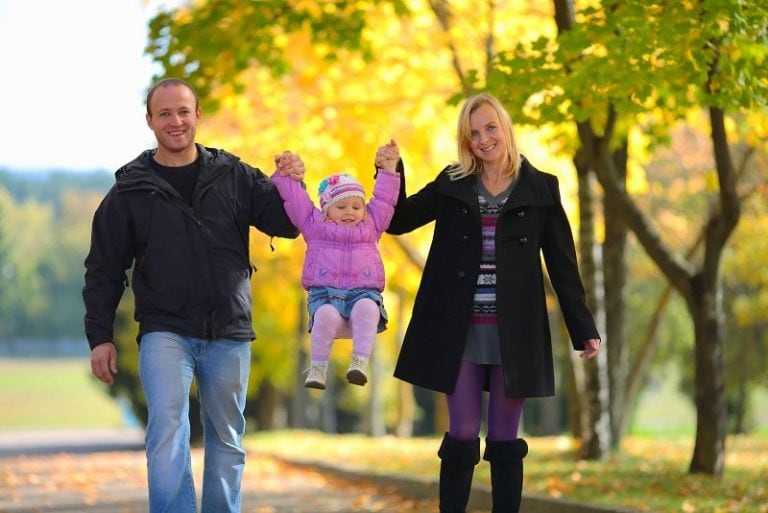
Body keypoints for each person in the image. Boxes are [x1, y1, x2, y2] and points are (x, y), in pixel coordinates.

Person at [82, 77, 304, 513]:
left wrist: (291, 182)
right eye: (164, 113)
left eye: (183, 111)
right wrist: (100, 336)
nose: (175, 121)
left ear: (198, 115)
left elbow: (288, 224)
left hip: (229, 329)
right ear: (149, 121)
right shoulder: (130, 189)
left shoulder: (234, 174)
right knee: (167, 431)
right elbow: (104, 269)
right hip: (165, 329)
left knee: (227, 439)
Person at [377, 93, 601, 513]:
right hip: (458, 331)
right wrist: (391, 172)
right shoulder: (452, 182)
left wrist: (582, 327)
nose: (483, 139)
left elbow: (563, 264)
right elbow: (398, 219)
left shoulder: (542, 188)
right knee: (461, 433)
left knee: (503, 439)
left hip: (513, 335)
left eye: (490, 128)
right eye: (473, 133)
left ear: (505, 127)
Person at [271, 142, 401, 389]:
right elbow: (296, 200)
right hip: (326, 296)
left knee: (368, 308)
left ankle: (359, 363)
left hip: (363, 292)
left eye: (356, 206)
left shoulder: (372, 225)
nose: (350, 212)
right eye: (341, 207)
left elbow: (384, 199)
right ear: (326, 208)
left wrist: (388, 168)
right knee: (326, 316)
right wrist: (285, 175)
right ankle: (318, 368)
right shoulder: (314, 225)